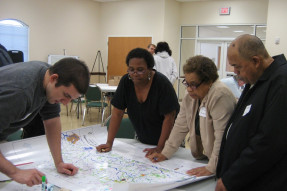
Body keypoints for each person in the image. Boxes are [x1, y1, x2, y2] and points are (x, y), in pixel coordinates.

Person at [0, 58, 90, 187]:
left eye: (71, 99)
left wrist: (59, 162)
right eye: (66, 95)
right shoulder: (21, 93)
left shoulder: (48, 79)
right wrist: (15, 172)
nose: (65, 103)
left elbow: (52, 120)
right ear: (54, 78)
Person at [216, 34, 287, 191]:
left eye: (238, 67)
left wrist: (232, 178)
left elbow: (269, 142)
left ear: (256, 61)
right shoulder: (258, 78)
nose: (235, 72)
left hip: (264, 182)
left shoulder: (281, 82)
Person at [147, 55, 236, 177]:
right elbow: (180, 125)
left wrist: (212, 167)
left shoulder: (220, 95)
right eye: (187, 83)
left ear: (209, 81)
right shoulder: (191, 95)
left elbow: (222, 136)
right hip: (204, 156)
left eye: (193, 84)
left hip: (224, 162)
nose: (189, 89)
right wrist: (165, 153)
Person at [96, 48, 179, 156]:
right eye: (131, 69)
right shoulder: (126, 82)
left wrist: (160, 147)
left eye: (140, 70)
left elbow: (169, 118)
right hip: (142, 140)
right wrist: (109, 143)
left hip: (168, 142)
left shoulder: (162, 84)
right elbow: (117, 113)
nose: (135, 74)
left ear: (150, 68)